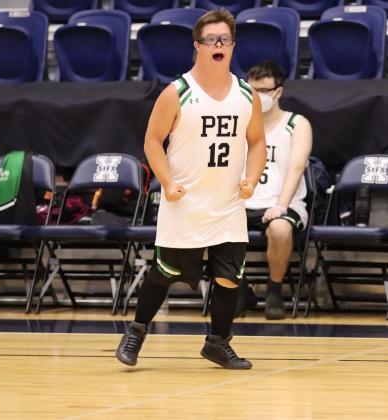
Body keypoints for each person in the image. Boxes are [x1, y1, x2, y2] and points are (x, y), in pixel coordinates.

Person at [116, 9, 266, 370]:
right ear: (197, 46)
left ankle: (217, 343)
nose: (219, 45)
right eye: (212, 39)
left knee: (230, 278)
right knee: (164, 273)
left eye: (225, 40)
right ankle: (136, 331)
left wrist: (253, 176)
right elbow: (153, 141)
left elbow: (257, 142)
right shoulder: (177, 92)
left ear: (232, 46)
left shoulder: (247, 95)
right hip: (185, 202)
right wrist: (166, 181)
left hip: (228, 203)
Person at [236, 60, 313, 320]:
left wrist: (280, 205)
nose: (255, 96)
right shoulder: (239, 124)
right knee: (204, 223)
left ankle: (274, 290)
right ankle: (241, 289)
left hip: (284, 202)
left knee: (280, 227)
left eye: (262, 91)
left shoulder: (296, 123)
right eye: (251, 90)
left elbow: (296, 167)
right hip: (244, 202)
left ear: (278, 92)